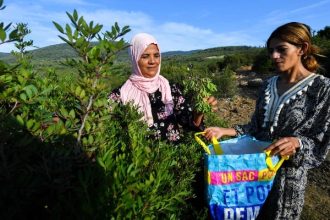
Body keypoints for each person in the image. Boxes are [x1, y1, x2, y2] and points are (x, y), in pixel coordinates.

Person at [204, 22, 330, 219]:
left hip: (287, 182)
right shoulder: (267, 86)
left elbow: (320, 141)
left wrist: (297, 143)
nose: (274, 56)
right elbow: (255, 129)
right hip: (253, 175)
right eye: (271, 51)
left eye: (281, 49)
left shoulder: (322, 89)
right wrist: (225, 131)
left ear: (302, 49)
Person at [109, 33, 217, 143]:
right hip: (137, 159)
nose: (152, 61)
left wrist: (198, 113)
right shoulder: (120, 95)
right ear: (135, 58)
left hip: (173, 157)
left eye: (156, 55)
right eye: (145, 56)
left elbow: (189, 123)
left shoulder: (169, 89)